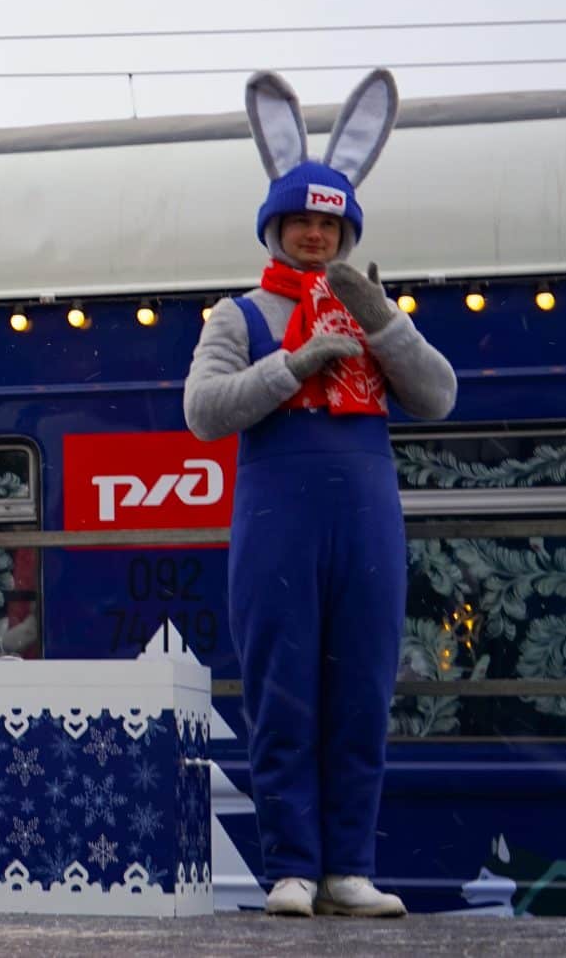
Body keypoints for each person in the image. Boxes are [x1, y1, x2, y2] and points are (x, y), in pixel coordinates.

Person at [184, 70, 456, 920]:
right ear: (274, 225)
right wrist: (296, 364)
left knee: (363, 689)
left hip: (367, 516)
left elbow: (439, 396)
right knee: (283, 690)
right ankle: (292, 866)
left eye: (327, 221)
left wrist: (384, 320)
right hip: (277, 516)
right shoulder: (238, 315)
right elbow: (202, 412)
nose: (313, 233)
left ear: (346, 227)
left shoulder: (373, 310)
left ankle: (349, 867)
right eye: (300, 219)